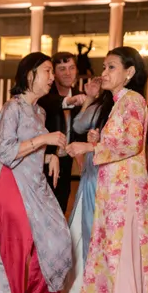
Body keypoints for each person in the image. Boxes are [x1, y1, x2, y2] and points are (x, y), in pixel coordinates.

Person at [67, 47, 148, 293]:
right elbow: (116, 142)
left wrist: (88, 147)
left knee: (122, 255)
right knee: (106, 250)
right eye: (104, 67)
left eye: (111, 67)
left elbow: (131, 144)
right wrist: (98, 141)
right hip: (112, 187)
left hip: (127, 190)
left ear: (129, 72)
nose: (104, 73)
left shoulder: (133, 101)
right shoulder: (118, 103)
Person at [0, 52, 72, 293]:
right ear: (30, 75)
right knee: (18, 245)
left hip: (36, 182)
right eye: (48, 71)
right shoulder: (11, 108)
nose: (53, 77)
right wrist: (44, 140)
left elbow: (34, 147)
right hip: (12, 181)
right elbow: (5, 152)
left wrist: (49, 155)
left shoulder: (40, 111)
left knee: (55, 239)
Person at [60, 77, 113, 293]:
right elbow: (78, 126)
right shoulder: (100, 107)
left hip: (112, 182)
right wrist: (90, 98)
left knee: (97, 238)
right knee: (79, 235)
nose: (105, 75)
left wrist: (95, 145)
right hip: (91, 178)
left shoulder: (126, 107)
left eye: (111, 68)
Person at [38, 52, 87, 214]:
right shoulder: (44, 95)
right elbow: (52, 103)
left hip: (65, 163)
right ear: (54, 73)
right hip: (41, 162)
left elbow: (81, 130)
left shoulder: (82, 96)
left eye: (71, 68)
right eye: (62, 69)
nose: (68, 73)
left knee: (61, 208)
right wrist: (68, 101)